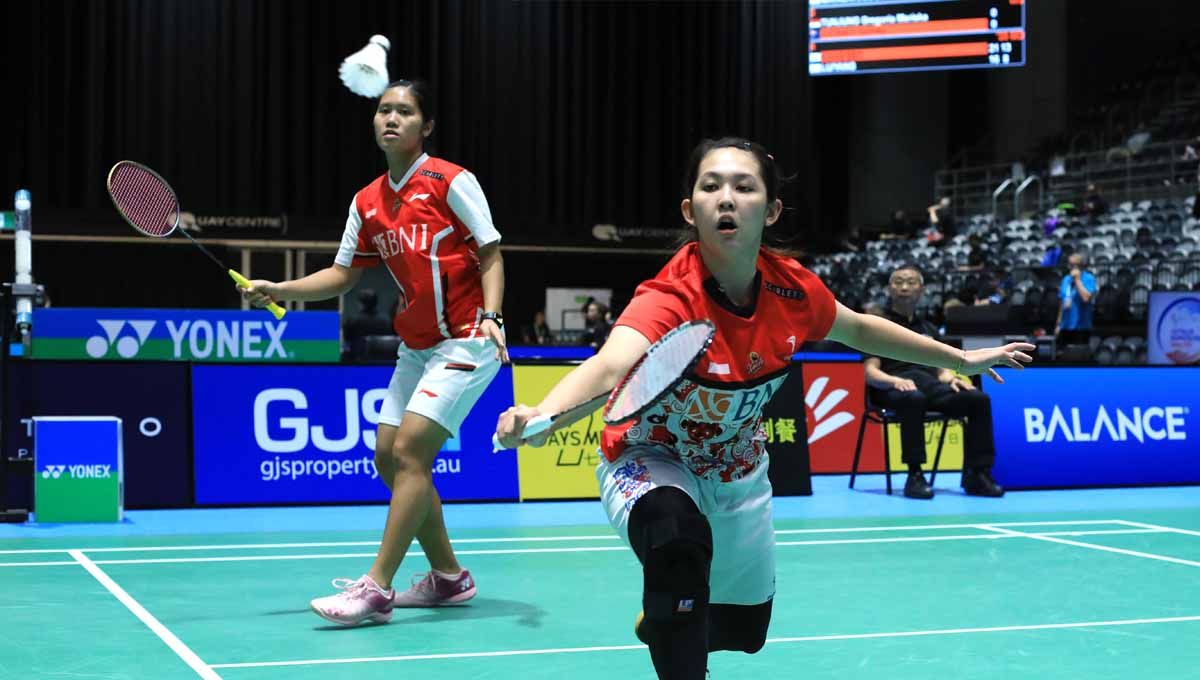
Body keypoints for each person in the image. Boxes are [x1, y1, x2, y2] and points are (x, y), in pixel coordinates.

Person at [494, 138, 1033, 679]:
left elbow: (861, 328)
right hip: (650, 457)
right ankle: (672, 602)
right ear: (691, 210)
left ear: (770, 210)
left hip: (737, 469)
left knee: (742, 632)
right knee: (676, 543)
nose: (725, 198)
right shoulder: (668, 297)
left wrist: (959, 359)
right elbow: (611, 366)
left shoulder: (793, 291)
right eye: (710, 186)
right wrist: (542, 411)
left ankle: (667, 613)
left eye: (743, 186)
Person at [241, 79, 508, 626]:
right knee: (387, 457)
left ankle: (377, 588)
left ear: (425, 126)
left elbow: (491, 252)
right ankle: (449, 578)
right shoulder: (367, 201)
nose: (391, 119)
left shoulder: (450, 181)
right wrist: (280, 289)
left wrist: (492, 315)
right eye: (384, 110)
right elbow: (343, 275)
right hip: (416, 347)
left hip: (465, 336)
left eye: (404, 111)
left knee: (411, 453)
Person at [865, 265, 1007, 500]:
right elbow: (870, 373)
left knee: (977, 399)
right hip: (893, 388)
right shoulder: (878, 326)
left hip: (928, 386)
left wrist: (951, 379)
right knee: (914, 398)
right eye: (898, 281)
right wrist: (894, 381)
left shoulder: (928, 328)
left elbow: (941, 371)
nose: (904, 287)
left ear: (921, 290)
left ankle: (977, 474)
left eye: (910, 282)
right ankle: (915, 475)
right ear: (889, 289)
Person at [1055, 252, 1097, 346]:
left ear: (1081, 266)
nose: (1072, 268)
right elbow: (1062, 303)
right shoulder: (1066, 279)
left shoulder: (1088, 278)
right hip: (1065, 326)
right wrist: (1058, 324)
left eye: (1075, 265)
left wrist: (1077, 280)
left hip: (1081, 327)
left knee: (1078, 356)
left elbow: (1086, 298)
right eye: (1070, 265)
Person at [342, 287, 394, 359]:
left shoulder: (352, 321)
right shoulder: (387, 321)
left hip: (357, 361)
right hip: (383, 361)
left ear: (360, 303)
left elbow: (346, 343)